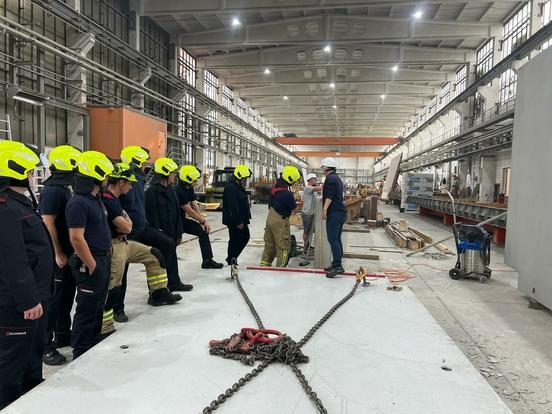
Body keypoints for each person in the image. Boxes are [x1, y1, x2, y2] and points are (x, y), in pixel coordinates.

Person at [0, 141, 54, 409]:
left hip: (33, 300)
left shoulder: (18, 203)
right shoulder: (5, 208)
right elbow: (12, 261)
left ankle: (32, 401)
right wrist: (28, 300)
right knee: (11, 366)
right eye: (31, 171)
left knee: (31, 359)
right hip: (17, 306)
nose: (34, 176)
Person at [100, 164, 181, 336]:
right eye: (128, 183)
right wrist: (127, 223)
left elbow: (127, 220)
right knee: (115, 282)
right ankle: (112, 317)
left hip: (131, 235)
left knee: (155, 254)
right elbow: (126, 225)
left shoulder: (117, 195)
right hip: (117, 243)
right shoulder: (108, 198)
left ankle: (159, 294)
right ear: (121, 182)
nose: (131, 186)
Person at [113, 147, 190, 324]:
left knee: (166, 245)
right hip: (126, 232)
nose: (144, 167)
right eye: (141, 163)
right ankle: (117, 308)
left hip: (142, 228)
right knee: (120, 269)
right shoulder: (122, 182)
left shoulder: (138, 181)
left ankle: (159, 293)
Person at [66, 151, 114, 359]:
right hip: (90, 260)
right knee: (86, 306)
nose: (107, 180)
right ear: (96, 175)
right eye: (105, 176)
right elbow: (76, 238)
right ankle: (81, 347)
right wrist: (92, 264)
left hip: (102, 258)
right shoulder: (78, 202)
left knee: (98, 303)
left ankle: (93, 338)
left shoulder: (96, 200)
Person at [40, 145, 81, 366]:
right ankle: (45, 346)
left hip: (67, 252)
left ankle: (63, 333)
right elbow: (48, 222)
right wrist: (58, 252)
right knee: (55, 300)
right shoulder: (53, 190)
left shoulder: (64, 188)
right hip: (59, 255)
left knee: (66, 294)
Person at [145, 157, 191, 291]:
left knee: (171, 258)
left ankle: (174, 283)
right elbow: (151, 216)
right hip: (159, 234)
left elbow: (177, 213)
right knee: (158, 261)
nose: (175, 176)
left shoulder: (171, 190)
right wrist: (157, 233)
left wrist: (179, 232)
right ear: (165, 173)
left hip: (171, 232)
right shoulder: (151, 192)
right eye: (172, 173)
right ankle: (157, 289)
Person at [175, 165, 223, 269]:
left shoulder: (189, 188)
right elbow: (190, 211)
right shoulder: (179, 191)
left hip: (182, 220)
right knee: (172, 244)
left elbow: (194, 204)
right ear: (187, 179)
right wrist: (203, 221)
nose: (196, 182)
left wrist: (202, 221)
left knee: (203, 232)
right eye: (195, 180)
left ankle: (207, 261)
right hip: (174, 222)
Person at [260, 165, 301, 267]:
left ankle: (264, 266)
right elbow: (294, 209)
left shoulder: (275, 187)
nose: (295, 183)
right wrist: (300, 207)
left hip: (270, 218)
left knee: (270, 245)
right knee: (283, 247)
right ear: (290, 179)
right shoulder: (286, 194)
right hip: (280, 221)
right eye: (295, 181)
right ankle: (280, 270)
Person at [320, 157, 347, 278]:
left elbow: (329, 196)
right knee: (337, 238)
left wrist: (324, 210)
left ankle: (337, 266)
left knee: (332, 239)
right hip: (341, 212)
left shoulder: (330, 178)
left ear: (326, 167)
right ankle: (336, 264)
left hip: (334, 213)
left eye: (323, 167)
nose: (322, 170)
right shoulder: (337, 178)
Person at [222, 165, 252, 265]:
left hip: (241, 219)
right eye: (245, 179)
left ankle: (232, 257)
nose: (246, 181)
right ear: (239, 178)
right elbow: (233, 207)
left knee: (244, 237)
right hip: (234, 220)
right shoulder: (231, 188)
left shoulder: (237, 186)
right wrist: (238, 221)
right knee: (235, 239)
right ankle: (232, 259)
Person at [301, 173, 322, 257]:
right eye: (314, 179)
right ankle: (305, 247)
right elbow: (319, 188)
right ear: (310, 180)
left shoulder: (313, 189)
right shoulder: (307, 188)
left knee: (311, 231)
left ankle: (308, 245)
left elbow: (319, 193)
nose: (316, 180)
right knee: (306, 231)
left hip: (313, 213)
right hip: (307, 213)